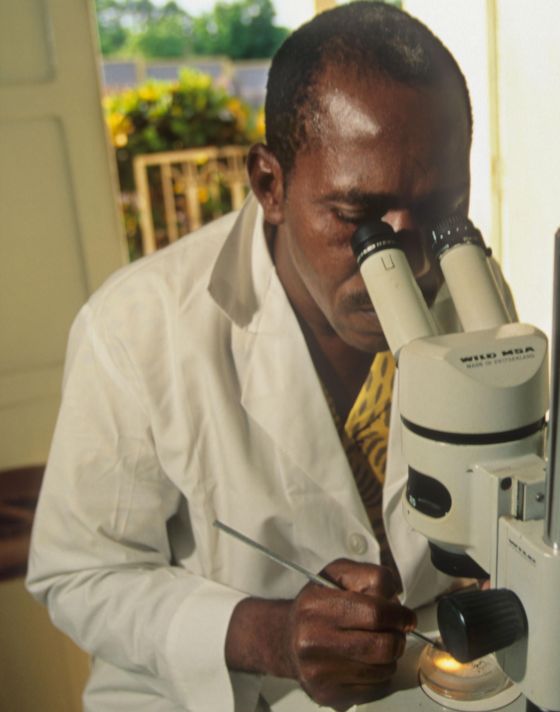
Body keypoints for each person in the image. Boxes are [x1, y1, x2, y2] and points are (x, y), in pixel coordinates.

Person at [27, 3, 481, 711]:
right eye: (359, 220)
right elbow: (78, 574)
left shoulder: (462, 277)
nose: (411, 262)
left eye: (442, 206)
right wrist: (263, 635)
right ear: (270, 185)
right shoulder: (136, 329)